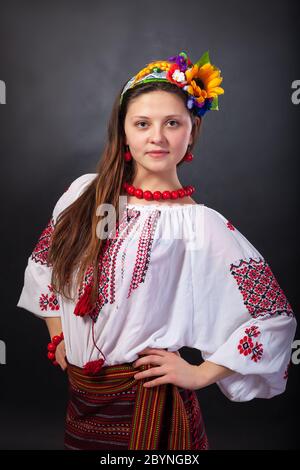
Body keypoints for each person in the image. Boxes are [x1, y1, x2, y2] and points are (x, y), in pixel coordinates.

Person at [17, 50, 297, 451]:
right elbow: (46, 266)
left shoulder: (201, 225)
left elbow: (273, 317)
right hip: (82, 400)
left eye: (172, 123)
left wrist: (201, 374)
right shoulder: (85, 194)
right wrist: (59, 338)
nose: (158, 137)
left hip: (149, 405)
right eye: (143, 123)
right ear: (124, 131)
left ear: (192, 129)